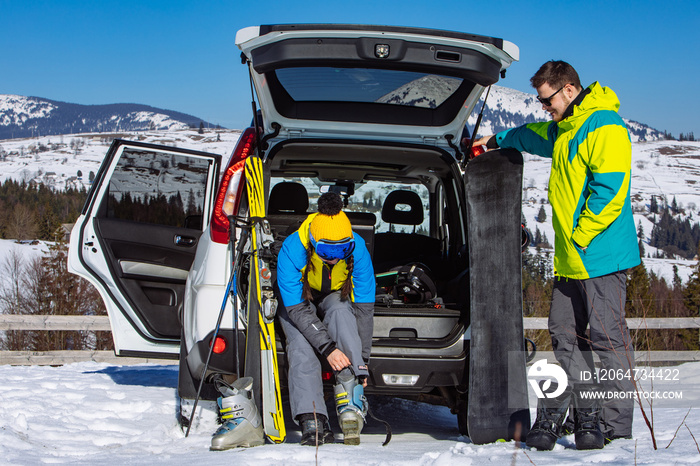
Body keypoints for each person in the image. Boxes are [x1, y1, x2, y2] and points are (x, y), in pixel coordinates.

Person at [474, 60, 640, 450]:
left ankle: (615, 426)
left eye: (547, 99)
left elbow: (611, 191)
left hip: (599, 258)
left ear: (568, 89)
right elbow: (532, 136)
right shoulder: (565, 129)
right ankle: (586, 413)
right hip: (570, 261)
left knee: (607, 339)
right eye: (539, 100)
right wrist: (497, 141)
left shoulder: (604, 126)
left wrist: (581, 238)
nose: (543, 106)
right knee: (565, 337)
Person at [275, 191, 375, 446]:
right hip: (299, 301)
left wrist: (362, 360)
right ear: (313, 242)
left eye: (341, 250)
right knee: (300, 345)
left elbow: (363, 309)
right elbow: (298, 310)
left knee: (343, 312)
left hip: (333, 295)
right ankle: (313, 418)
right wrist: (328, 349)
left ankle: (351, 396)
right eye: (326, 251)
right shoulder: (292, 248)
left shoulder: (358, 250)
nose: (334, 257)